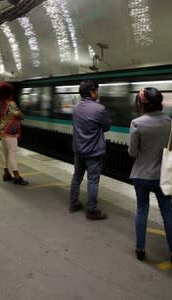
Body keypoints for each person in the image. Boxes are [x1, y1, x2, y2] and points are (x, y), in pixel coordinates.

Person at [128, 87, 172, 264]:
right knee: (167, 212)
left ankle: (140, 248)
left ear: (142, 104)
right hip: (164, 176)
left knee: (142, 210)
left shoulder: (136, 123)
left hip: (141, 175)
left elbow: (132, 153)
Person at [69, 80, 110, 220]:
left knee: (77, 177)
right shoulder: (99, 109)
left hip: (78, 150)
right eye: (96, 91)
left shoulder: (76, 108)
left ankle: (73, 204)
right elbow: (106, 127)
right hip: (93, 152)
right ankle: (91, 210)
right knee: (93, 180)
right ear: (92, 92)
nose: (97, 93)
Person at [0, 81, 28, 185]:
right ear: (8, 93)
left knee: (5, 153)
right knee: (13, 154)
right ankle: (17, 176)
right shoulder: (11, 104)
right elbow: (21, 116)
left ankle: (6, 173)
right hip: (10, 132)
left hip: (1, 130)